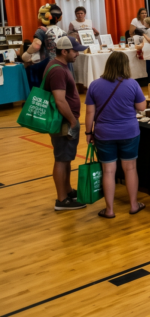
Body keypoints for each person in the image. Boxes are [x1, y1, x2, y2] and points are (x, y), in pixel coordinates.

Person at [85, 51, 148, 218]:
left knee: (108, 171)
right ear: (126, 66)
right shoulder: (132, 84)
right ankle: (134, 205)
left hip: (104, 133)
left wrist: (88, 132)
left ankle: (110, 209)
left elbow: (89, 113)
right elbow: (142, 107)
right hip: (129, 132)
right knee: (130, 168)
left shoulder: (95, 85)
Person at [45, 36, 89, 211]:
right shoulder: (58, 71)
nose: (77, 53)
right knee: (62, 159)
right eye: (74, 50)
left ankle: (68, 190)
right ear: (64, 51)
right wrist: (72, 121)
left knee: (66, 157)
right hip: (64, 122)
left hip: (65, 121)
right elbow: (60, 101)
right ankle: (62, 200)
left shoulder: (59, 66)